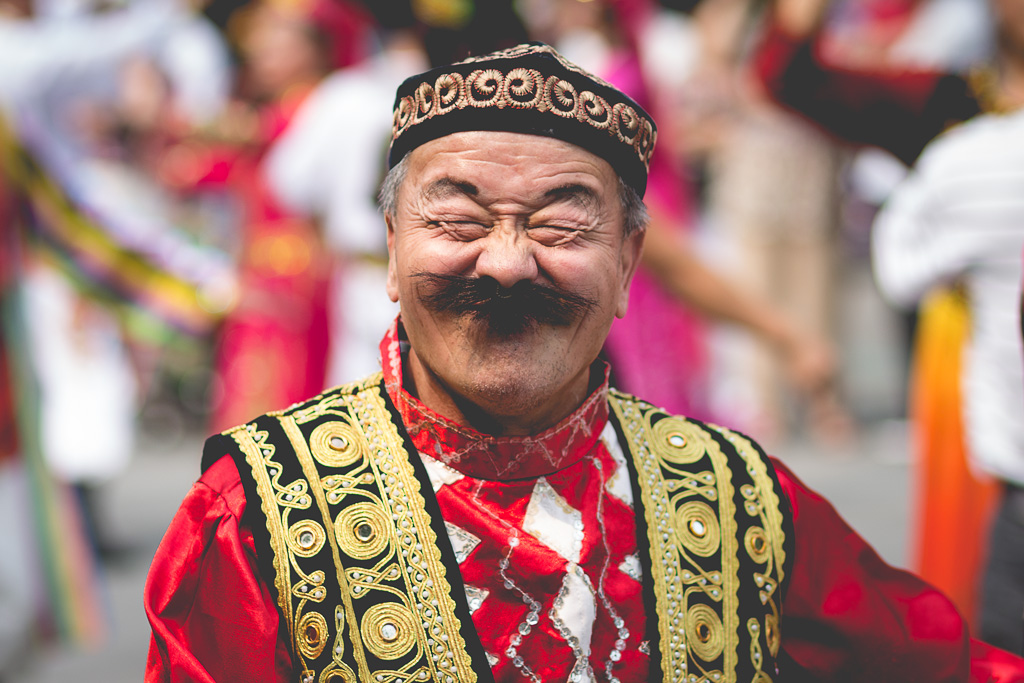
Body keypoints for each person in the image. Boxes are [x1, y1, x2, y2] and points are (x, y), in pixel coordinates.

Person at [144, 42, 1024, 682]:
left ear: (629, 264)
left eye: (563, 225)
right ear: (389, 248)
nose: (506, 262)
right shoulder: (257, 512)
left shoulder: (735, 495)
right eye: (457, 220)